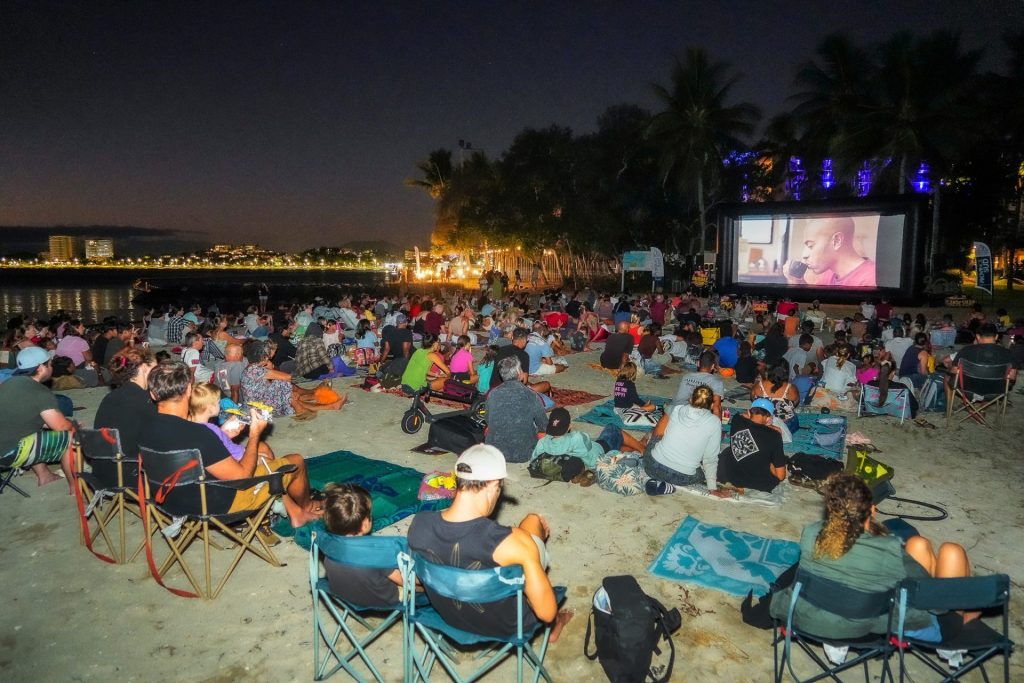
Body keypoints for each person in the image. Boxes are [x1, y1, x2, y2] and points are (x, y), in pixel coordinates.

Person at [769, 472, 978, 641]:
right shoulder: (886, 549)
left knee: (918, 544)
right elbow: (936, 604)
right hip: (873, 624)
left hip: (815, 617)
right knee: (953, 552)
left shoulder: (812, 534)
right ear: (872, 510)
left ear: (831, 509)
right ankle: (961, 634)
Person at [407, 444, 573, 641]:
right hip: (507, 625)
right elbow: (546, 613)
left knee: (526, 534)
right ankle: (554, 625)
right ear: (494, 485)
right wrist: (533, 547)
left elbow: (417, 580)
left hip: (449, 618)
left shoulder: (419, 525)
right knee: (532, 523)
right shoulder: (510, 542)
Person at [138, 360, 321, 528]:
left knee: (263, 456)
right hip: (219, 504)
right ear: (188, 390)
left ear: (153, 394)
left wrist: (223, 435)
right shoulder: (199, 434)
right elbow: (242, 477)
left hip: (170, 503)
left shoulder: (145, 428)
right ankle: (306, 508)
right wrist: (255, 435)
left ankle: (294, 512)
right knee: (295, 461)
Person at [0, 346, 75, 489]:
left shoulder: (8, 383)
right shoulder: (39, 392)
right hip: (7, 453)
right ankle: (75, 488)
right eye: (50, 363)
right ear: (42, 367)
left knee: (34, 431)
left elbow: (29, 418)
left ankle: (45, 476)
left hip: (4, 442)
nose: (52, 366)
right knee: (71, 438)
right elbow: (61, 427)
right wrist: (74, 426)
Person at [320, 483, 408, 605]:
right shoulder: (377, 552)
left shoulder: (326, 542)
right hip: (381, 601)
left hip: (342, 595)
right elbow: (405, 581)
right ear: (365, 523)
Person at [642, 386, 726, 496]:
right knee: (701, 473)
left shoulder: (677, 409)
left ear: (691, 399)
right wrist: (712, 488)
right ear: (711, 405)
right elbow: (710, 458)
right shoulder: (715, 422)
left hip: (652, 466)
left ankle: (657, 480)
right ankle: (669, 485)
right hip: (682, 477)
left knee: (657, 438)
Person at [93, 347, 158, 481]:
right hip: (128, 476)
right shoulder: (144, 401)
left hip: (102, 473)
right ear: (144, 367)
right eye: (155, 368)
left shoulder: (111, 397)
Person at [531, 407, 645, 470]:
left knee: (618, 444)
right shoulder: (576, 437)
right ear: (569, 426)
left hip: (585, 459)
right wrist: (573, 431)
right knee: (613, 429)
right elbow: (588, 443)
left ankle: (633, 448)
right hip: (598, 454)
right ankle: (642, 448)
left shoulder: (543, 442)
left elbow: (534, 459)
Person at [484, 356, 549, 463]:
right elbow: (543, 425)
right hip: (524, 453)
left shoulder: (493, 394)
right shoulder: (530, 394)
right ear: (519, 372)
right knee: (546, 433)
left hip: (495, 452)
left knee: (489, 428)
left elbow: (487, 420)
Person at [717, 398, 787, 493]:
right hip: (760, 483)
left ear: (750, 413)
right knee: (772, 461)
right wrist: (773, 428)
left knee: (727, 451)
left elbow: (744, 415)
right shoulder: (774, 436)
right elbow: (781, 476)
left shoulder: (737, 419)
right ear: (769, 418)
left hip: (732, 477)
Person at [783, 216, 877, 287]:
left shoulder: (871, 279)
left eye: (811, 246)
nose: (804, 255)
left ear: (837, 241)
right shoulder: (829, 273)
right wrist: (799, 282)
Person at [944, 323, 1016, 395]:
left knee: (947, 377)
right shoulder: (1008, 353)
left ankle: (949, 405)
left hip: (968, 388)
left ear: (977, 336)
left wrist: (950, 366)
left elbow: (954, 371)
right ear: (996, 336)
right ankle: (984, 404)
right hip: (996, 390)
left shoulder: (966, 350)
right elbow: (1012, 377)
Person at [751, 361, 800, 437]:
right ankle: (777, 433)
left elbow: (752, 399)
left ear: (770, 371)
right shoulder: (791, 388)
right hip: (784, 426)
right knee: (793, 414)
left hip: (762, 422)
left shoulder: (759, 385)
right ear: (786, 373)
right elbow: (795, 403)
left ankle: (765, 430)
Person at [673, 351, 724, 416]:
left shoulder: (687, 376)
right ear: (713, 366)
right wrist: (717, 424)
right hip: (697, 415)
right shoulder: (716, 381)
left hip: (676, 411)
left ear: (698, 363)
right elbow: (716, 407)